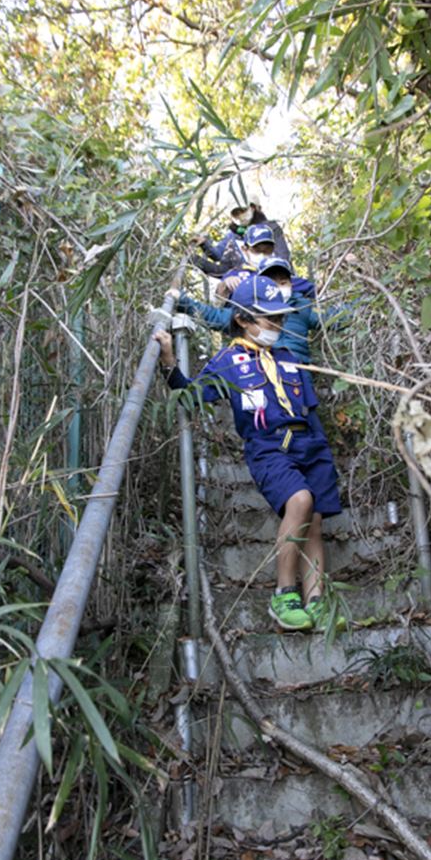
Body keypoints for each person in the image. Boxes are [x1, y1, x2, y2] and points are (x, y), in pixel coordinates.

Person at [154, 275, 345, 633]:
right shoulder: (229, 360)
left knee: (315, 520)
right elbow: (195, 395)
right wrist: (168, 362)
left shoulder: (288, 357)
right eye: (269, 319)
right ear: (242, 319)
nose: (278, 325)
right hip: (268, 446)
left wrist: (322, 449)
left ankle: (318, 599)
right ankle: (285, 593)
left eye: (281, 319)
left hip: (310, 443)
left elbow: (310, 407)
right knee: (299, 501)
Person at [177, 250, 342, 364]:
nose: (278, 286)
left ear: (291, 283)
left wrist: (364, 303)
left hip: (299, 376)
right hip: (260, 377)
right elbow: (212, 315)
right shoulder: (249, 312)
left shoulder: (303, 306)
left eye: (283, 281)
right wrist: (180, 300)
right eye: (272, 282)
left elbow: (333, 318)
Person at [191, 193, 291, 277]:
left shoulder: (271, 228)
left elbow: (283, 257)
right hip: (245, 286)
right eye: (236, 213)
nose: (240, 215)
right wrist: (202, 246)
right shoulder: (233, 235)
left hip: (275, 280)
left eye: (242, 210)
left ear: (253, 208)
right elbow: (219, 258)